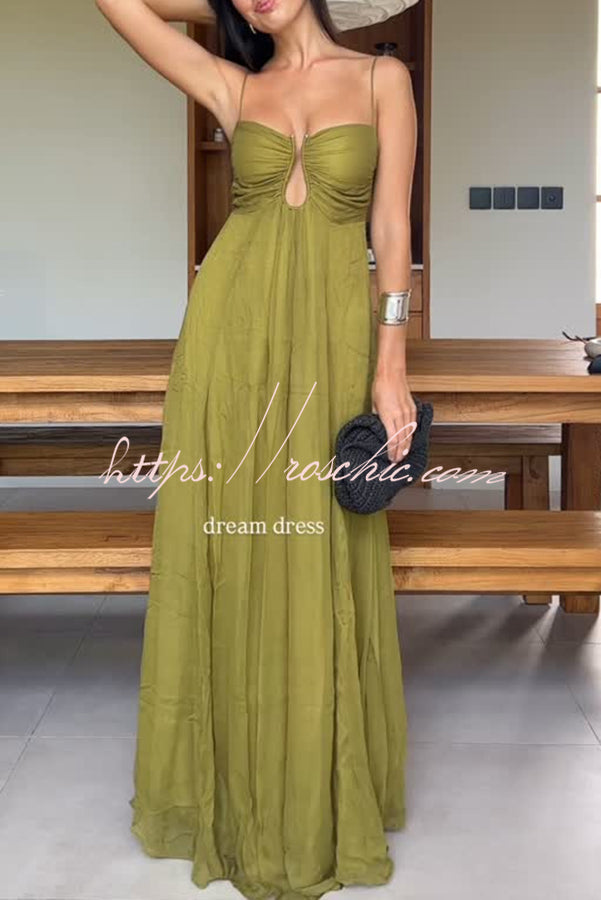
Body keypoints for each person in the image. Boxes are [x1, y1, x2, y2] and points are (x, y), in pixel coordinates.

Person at [94, 1, 418, 897]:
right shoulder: (232, 86)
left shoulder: (381, 77)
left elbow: (391, 229)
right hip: (228, 343)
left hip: (334, 336)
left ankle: (316, 780)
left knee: (320, 537)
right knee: (234, 542)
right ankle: (228, 780)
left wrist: (391, 362)